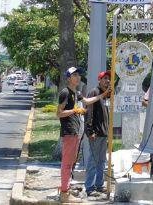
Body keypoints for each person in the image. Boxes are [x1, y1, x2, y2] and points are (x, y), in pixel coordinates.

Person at [56, 66, 87, 203]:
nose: (78, 77)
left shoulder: (76, 92)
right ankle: (64, 194)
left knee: (71, 161)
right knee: (67, 163)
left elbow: (86, 101)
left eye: (78, 75)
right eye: (74, 75)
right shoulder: (65, 93)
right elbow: (59, 113)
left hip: (76, 131)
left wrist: (102, 96)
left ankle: (65, 188)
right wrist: (74, 111)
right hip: (69, 132)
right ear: (68, 78)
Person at [83, 71, 113, 200]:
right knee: (93, 161)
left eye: (109, 79)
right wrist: (90, 131)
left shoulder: (106, 95)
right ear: (99, 80)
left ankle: (99, 185)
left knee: (101, 161)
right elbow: (88, 113)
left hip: (104, 133)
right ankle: (89, 187)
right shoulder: (94, 92)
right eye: (105, 78)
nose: (107, 81)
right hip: (95, 133)